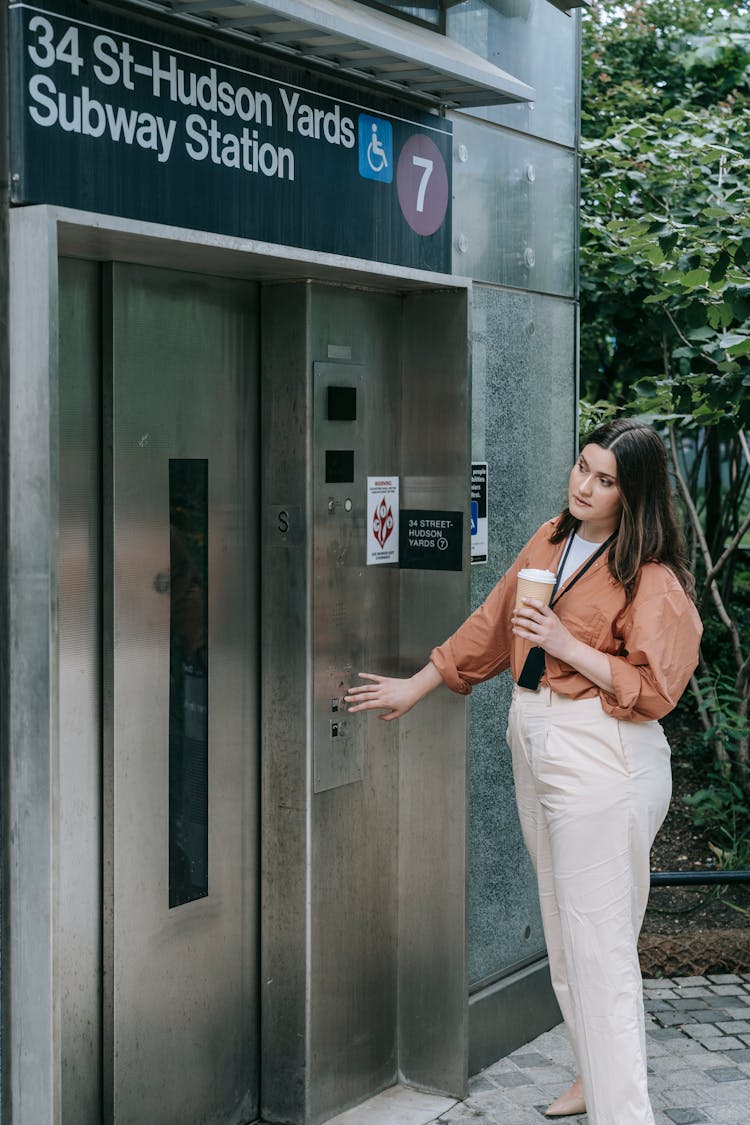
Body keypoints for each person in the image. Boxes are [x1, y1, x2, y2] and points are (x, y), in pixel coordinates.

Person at [345, 419, 702, 1125]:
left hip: (604, 753)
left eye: (605, 480)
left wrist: (567, 641)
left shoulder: (650, 576)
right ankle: (590, 1072)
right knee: (567, 937)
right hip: (537, 738)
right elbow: (494, 618)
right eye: (582, 466)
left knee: (599, 950)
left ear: (632, 495)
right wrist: (416, 685)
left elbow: (656, 688)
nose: (584, 484)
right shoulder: (551, 539)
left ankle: (623, 1112)